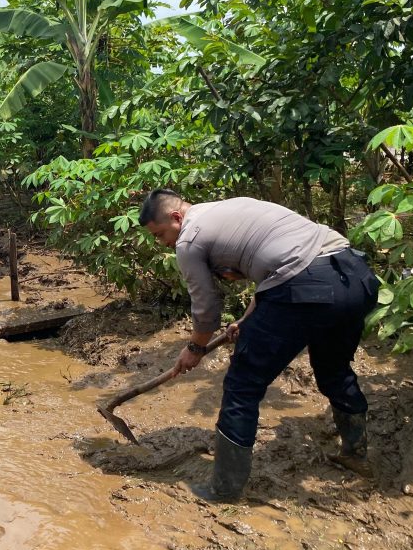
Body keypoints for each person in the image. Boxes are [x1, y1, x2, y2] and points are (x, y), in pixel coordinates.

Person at [138, 189, 379, 502]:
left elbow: (206, 307)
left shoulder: (189, 239)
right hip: (356, 277)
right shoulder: (233, 207)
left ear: (176, 217)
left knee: (243, 384)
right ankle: (356, 455)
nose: (164, 243)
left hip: (306, 287)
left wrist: (195, 348)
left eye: (160, 235)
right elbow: (277, 267)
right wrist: (248, 319)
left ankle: (224, 490)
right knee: (334, 368)